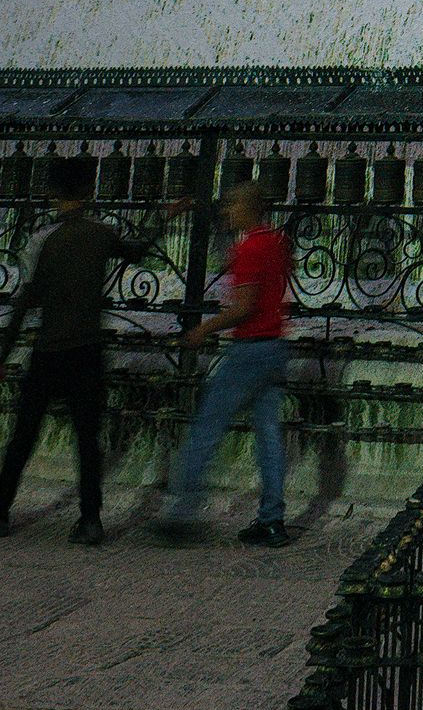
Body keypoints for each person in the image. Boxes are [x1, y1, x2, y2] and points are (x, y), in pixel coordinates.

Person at [0, 158, 180, 545]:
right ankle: (90, 521)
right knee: (88, 439)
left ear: (53, 194)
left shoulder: (41, 239)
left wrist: (2, 356)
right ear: (88, 191)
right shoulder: (101, 234)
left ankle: (1, 513)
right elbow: (137, 252)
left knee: (23, 436)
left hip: (49, 351)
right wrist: (163, 218)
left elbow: (24, 302)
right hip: (88, 352)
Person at [156, 181, 292, 545]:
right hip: (276, 347)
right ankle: (272, 520)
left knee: (206, 430)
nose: (228, 210)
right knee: (268, 437)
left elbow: (244, 307)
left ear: (249, 208)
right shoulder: (275, 242)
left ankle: (183, 514)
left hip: (248, 351)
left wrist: (204, 329)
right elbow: (243, 270)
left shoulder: (250, 248)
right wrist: (202, 209)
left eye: (233, 204)